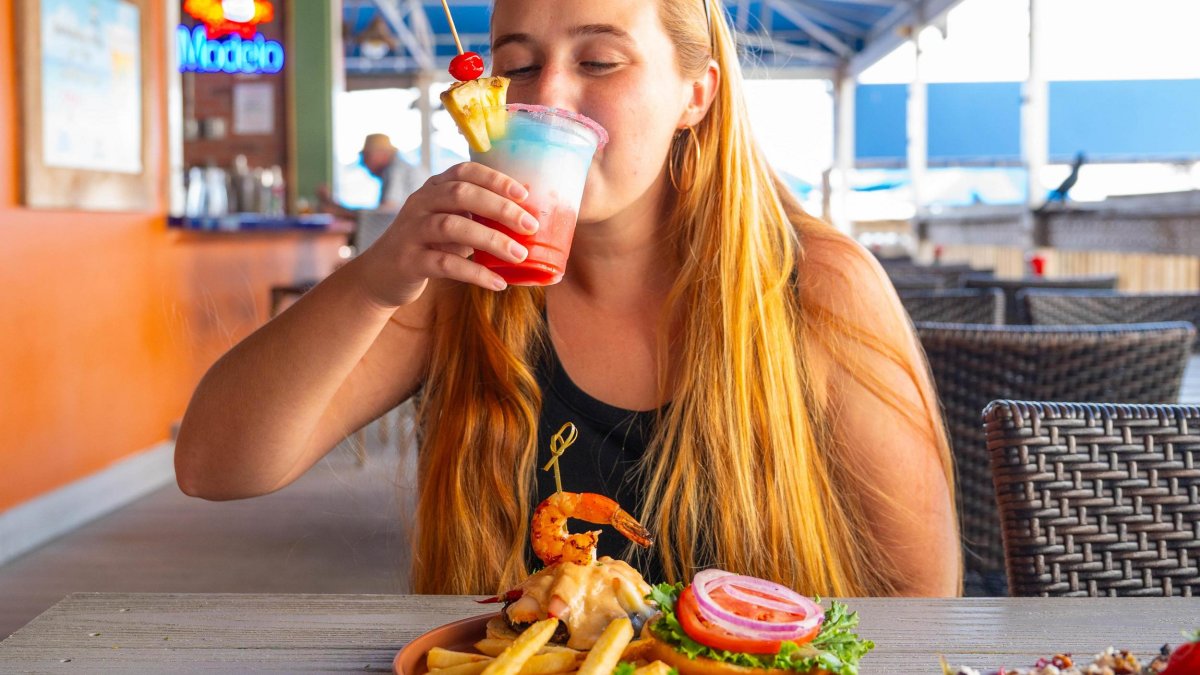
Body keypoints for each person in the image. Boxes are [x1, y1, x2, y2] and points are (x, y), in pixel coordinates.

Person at [175, 0, 960, 598]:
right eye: (517, 66)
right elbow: (215, 464)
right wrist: (378, 277)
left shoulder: (818, 287)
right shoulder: (460, 284)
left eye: (600, 62)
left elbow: (925, 598)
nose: (550, 94)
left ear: (697, 93)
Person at [317, 133, 427, 219]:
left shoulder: (396, 170)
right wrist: (337, 208)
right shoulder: (400, 167)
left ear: (382, 154)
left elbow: (385, 213)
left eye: (366, 156)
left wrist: (339, 211)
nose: (363, 163)